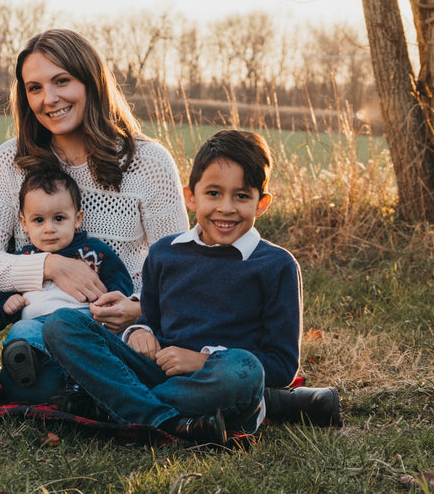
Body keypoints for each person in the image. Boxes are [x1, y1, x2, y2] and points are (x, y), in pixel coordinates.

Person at [0, 28, 190, 403]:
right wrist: (51, 266)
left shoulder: (148, 163)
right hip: (42, 324)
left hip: (121, 328)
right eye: (34, 88)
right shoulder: (11, 161)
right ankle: (112, 394)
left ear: (90, 82)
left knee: (128, 360)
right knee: (38, 371)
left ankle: (95, 390)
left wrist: (139, 310)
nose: (48, 99)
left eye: (61, 81)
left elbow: (178, 267)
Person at [43, 129, 302, 445]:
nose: (226, 208)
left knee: (243, 368)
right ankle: (169, 422)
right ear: (191, 196)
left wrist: (200, 361)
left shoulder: (276, 265)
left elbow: (282, 365)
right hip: (158, 372)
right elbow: (149, 318)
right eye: (214, 193)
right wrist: (139, 333)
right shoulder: (166, 252)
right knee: (62, 324)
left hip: (218, 382)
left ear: (261, 204)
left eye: (242, 196)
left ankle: (122, 407)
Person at [0, 167, 133, 402]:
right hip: (36, 328)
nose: (49, 228)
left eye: (59, 218)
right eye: (38, 220)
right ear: (24, 223)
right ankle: (32, 369)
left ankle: (78, 380)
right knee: (20, 332)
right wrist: (7, 304)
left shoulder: (94, 252)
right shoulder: (22, 259)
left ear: (77, 218)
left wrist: (114, 306)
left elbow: (120, 283)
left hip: (80, 322)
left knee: (101, 342)